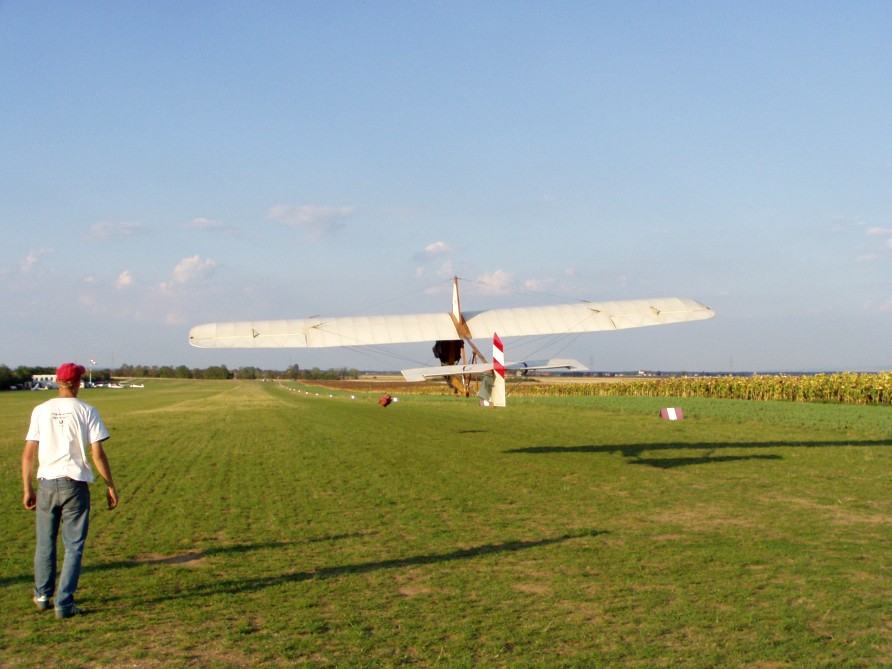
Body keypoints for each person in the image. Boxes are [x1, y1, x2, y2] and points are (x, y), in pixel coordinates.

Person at [21, 362, 119, 619]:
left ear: (57, 381)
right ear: (78, 383)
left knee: (45, 543)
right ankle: (64, 602)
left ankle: (42, 596)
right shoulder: (87, 410)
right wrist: (110, 485)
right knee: (73, 545)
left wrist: (26, 488)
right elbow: (97, 453)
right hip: (75, 483)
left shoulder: (41, 410)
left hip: (45, 483)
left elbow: (29, 454)